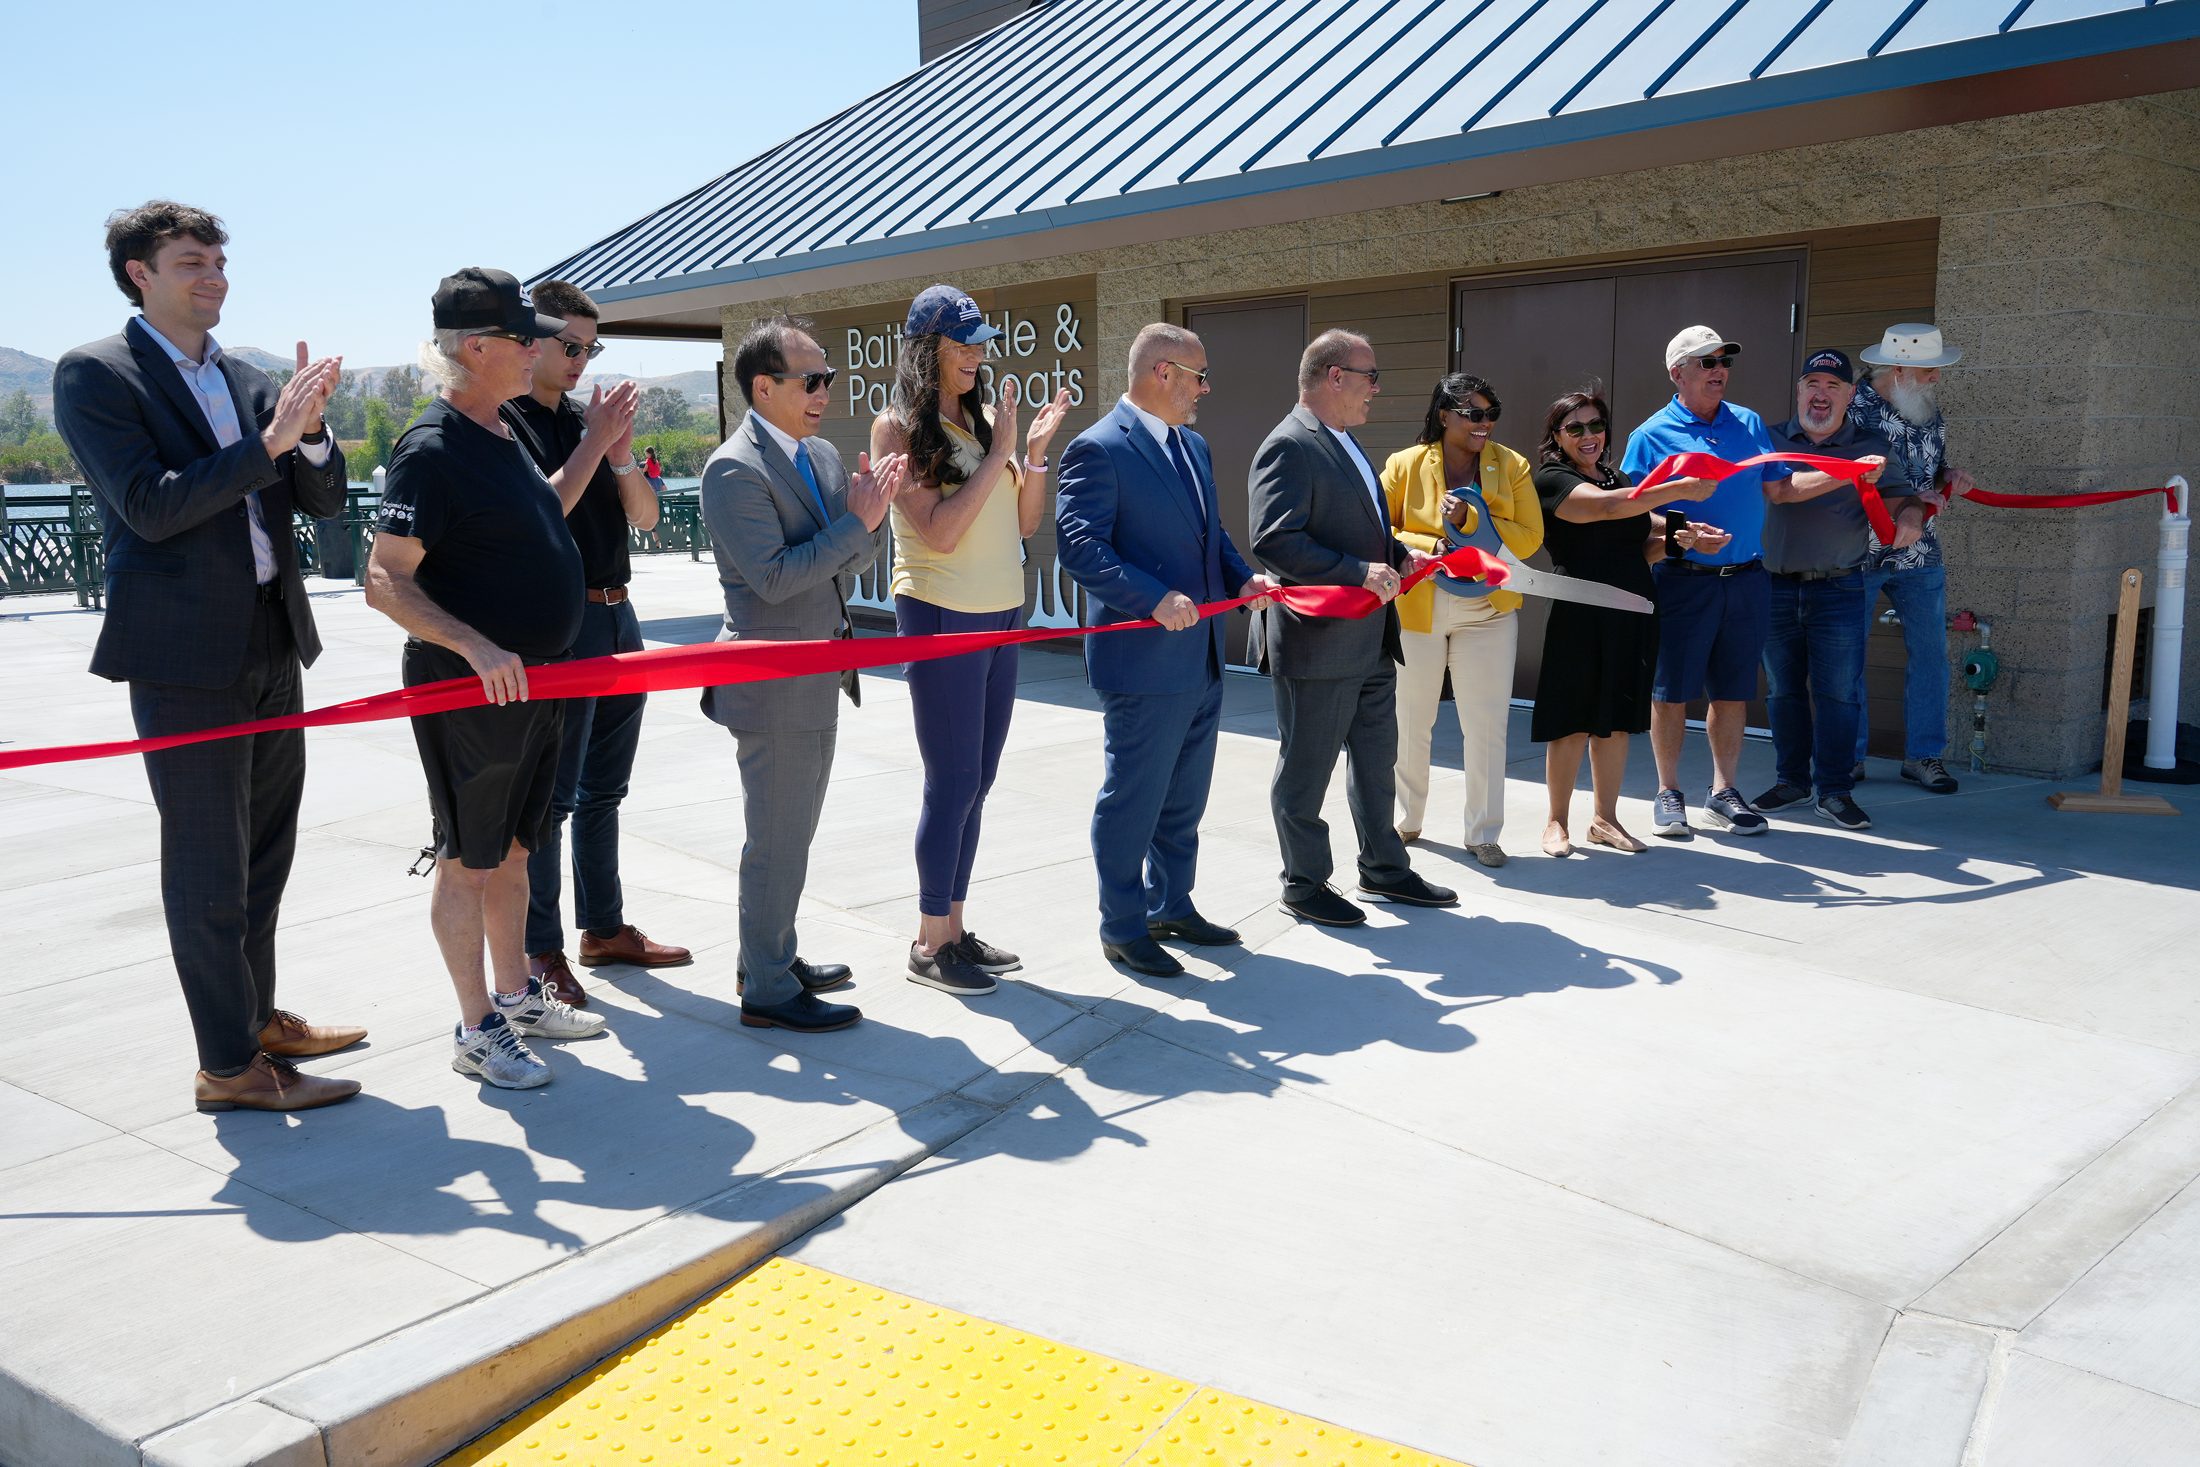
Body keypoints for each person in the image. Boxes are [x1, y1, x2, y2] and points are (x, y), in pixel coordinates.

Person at [52, 201, 364, 1114]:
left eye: (219, 261)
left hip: (274, 637)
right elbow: (149, 505)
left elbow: (322, 498)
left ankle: (257, 1021)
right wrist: (266, 443)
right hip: (184, 655)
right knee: (206, 866)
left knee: (265, 855)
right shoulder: (95, 374)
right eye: (192, 261)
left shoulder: (251, 375)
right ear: (139, 274)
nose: (214, 275)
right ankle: (227, 1068)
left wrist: (308, 432)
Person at [366, 268, 607, 1090]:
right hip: (471, 689)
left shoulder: (503, 430)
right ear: (477, 347)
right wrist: (476, 646)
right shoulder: (432, 449)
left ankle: (517, 996)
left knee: (513, 849)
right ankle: (476, 1027)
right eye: (525, 336)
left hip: (534, 684)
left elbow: (547, 508)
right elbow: (384, 578)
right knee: (468, 859)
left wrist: (596, 444)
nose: (541, 347)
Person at [699, 316, 904, 1031]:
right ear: (764, 386)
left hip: (819, 674)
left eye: (829, 379)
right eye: (811, 379)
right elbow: (776, 579)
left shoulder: (817, 456)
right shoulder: (733, 469)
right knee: (777, 835)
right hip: (771, 682)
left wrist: (864, 525)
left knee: (794, 832)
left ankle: (770, 955)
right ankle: (767, 989)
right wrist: (858, 524)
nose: (824, 390)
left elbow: (851, 562)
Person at [1055, 324, 1278, 977]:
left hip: (1201, 654)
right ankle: (1122, 925)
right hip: (1143, 659)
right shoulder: (1097, 449)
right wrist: (1151, 596)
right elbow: (1081, 547)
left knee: (1183, 798)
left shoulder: (1195, 447)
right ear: (1161, 371)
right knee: (1134, 797)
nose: (1206, 388)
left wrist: (1243, 577)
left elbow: (1213, 535)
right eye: (1198, 375)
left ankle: (1170, 903)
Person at [869, 284, 1071, 997]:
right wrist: (1003, 453)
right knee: (950, 780)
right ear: (927, 351)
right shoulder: (895, 427)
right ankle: (930, 941)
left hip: (1001, 611)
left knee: (977, 781)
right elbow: (942, 531)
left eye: (980, 343)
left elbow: (1021, 524)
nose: (977, 356)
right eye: (963, 344)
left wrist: (1034, 455)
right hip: (941, 612)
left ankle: (955, 926)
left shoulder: (990, 420)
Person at [503, 280, 689, 1008]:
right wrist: (592, 442)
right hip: (561, 625)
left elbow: (644, 518)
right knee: (552, 799)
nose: (581, 359)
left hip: (619, 614)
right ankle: (540, 947)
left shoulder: (591, 422)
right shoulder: (508, 422)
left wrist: (616, 453)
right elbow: (543, 512)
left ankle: (603, 927)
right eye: (570, 344)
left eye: (591, 346)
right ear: (532, 340)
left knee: (605, 789)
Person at [1248, 329, 1455, 928]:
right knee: (1305, 771)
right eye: (1370, 376)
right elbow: (1275, 539)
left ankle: (1385, 870)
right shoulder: (1289, 444)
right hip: (1317, 643)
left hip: (1368, 640)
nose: (1377, 389)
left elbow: (1356, 530)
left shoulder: (1345, 444)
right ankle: (1304, 881)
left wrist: (1396, 553)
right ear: (1334, 376)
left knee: (1374, 763)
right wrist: (1357, 572)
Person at [1531, 389, 1728, 857]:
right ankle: (1556, 822)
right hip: (1580, 610)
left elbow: (1643, 545)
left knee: (1616, 721)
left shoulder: (1615, 477)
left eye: (1596, 425)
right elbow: (1606, 508)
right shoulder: (1553, 479)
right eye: (1575, 428)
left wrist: (1687, 539)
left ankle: (1605, 819)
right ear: (1557, 436)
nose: (1588, 436)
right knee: (1572, 721)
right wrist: (1679, 487)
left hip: (1632, 609)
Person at [1620, 325, 1793, 839]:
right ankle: (1668, 791)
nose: (1719, 370)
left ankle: (1723, 792)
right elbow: (1630, 514)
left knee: (1733, 692)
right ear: (1678, 373)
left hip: (1747, 580)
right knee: (1671, 691)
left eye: (1723, 361)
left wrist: (1850, 473)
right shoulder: (1650, 435)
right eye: (1706, 362)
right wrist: (1684, 533)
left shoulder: (1750, 423)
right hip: (1683, 580)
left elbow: (1781, 487)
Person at [1382, 373, 1543, 868]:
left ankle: (1484, 832)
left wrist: (1476, 524)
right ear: (1444, 414)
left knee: (1487, 723)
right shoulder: (1405, 465)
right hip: (1421, 605)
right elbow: (1379, 529)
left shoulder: (1509, 465)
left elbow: (1530, 536)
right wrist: (1433, 545)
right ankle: (1406, 822)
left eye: (1491, 414)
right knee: (1412, 721)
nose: (1485, 424)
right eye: (1474, 414)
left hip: (1488, 610)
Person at [1757, 349, 1916, 830]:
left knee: (1839, 695)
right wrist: (1847, 471)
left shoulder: (1870, 444)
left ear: (1849, 395)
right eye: (1811, 384)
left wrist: (1909, 518)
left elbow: (1902, 498)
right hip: (1773, 585)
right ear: (1799, 390)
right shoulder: (1770, 439)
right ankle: (1792, 782)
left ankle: (1834, 789)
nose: (1820, 394)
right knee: (1783, 692)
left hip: (1841, 586)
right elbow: (1779, 490)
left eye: (1832, 386)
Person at [1849, 324, 1971, 794]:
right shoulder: (1851, 409)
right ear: (1897, 368)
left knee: (1931, 656)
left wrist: (1948, 474)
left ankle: (1924, 757)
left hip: (1921, 550)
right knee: (1848, 656)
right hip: (1859, 550)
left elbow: (1929, 464)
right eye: (1928, 371)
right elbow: (1836, 474)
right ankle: (1848, 755)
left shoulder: (1924, 405)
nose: (1936, 380)